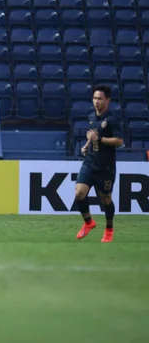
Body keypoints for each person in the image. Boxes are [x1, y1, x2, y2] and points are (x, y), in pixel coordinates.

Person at [75, 85, 123, 243]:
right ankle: (89, 222)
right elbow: (93, 135)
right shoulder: (91, 117)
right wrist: (87, 145)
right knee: (79, 192)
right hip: (90, 162)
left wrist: (99, 140)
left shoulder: (112, 119)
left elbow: (119, 141)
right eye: (95, 98)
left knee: (106, 200)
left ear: (107, 100)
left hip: (105, 167)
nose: (96, 101)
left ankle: (109, 229)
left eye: (100, 98)